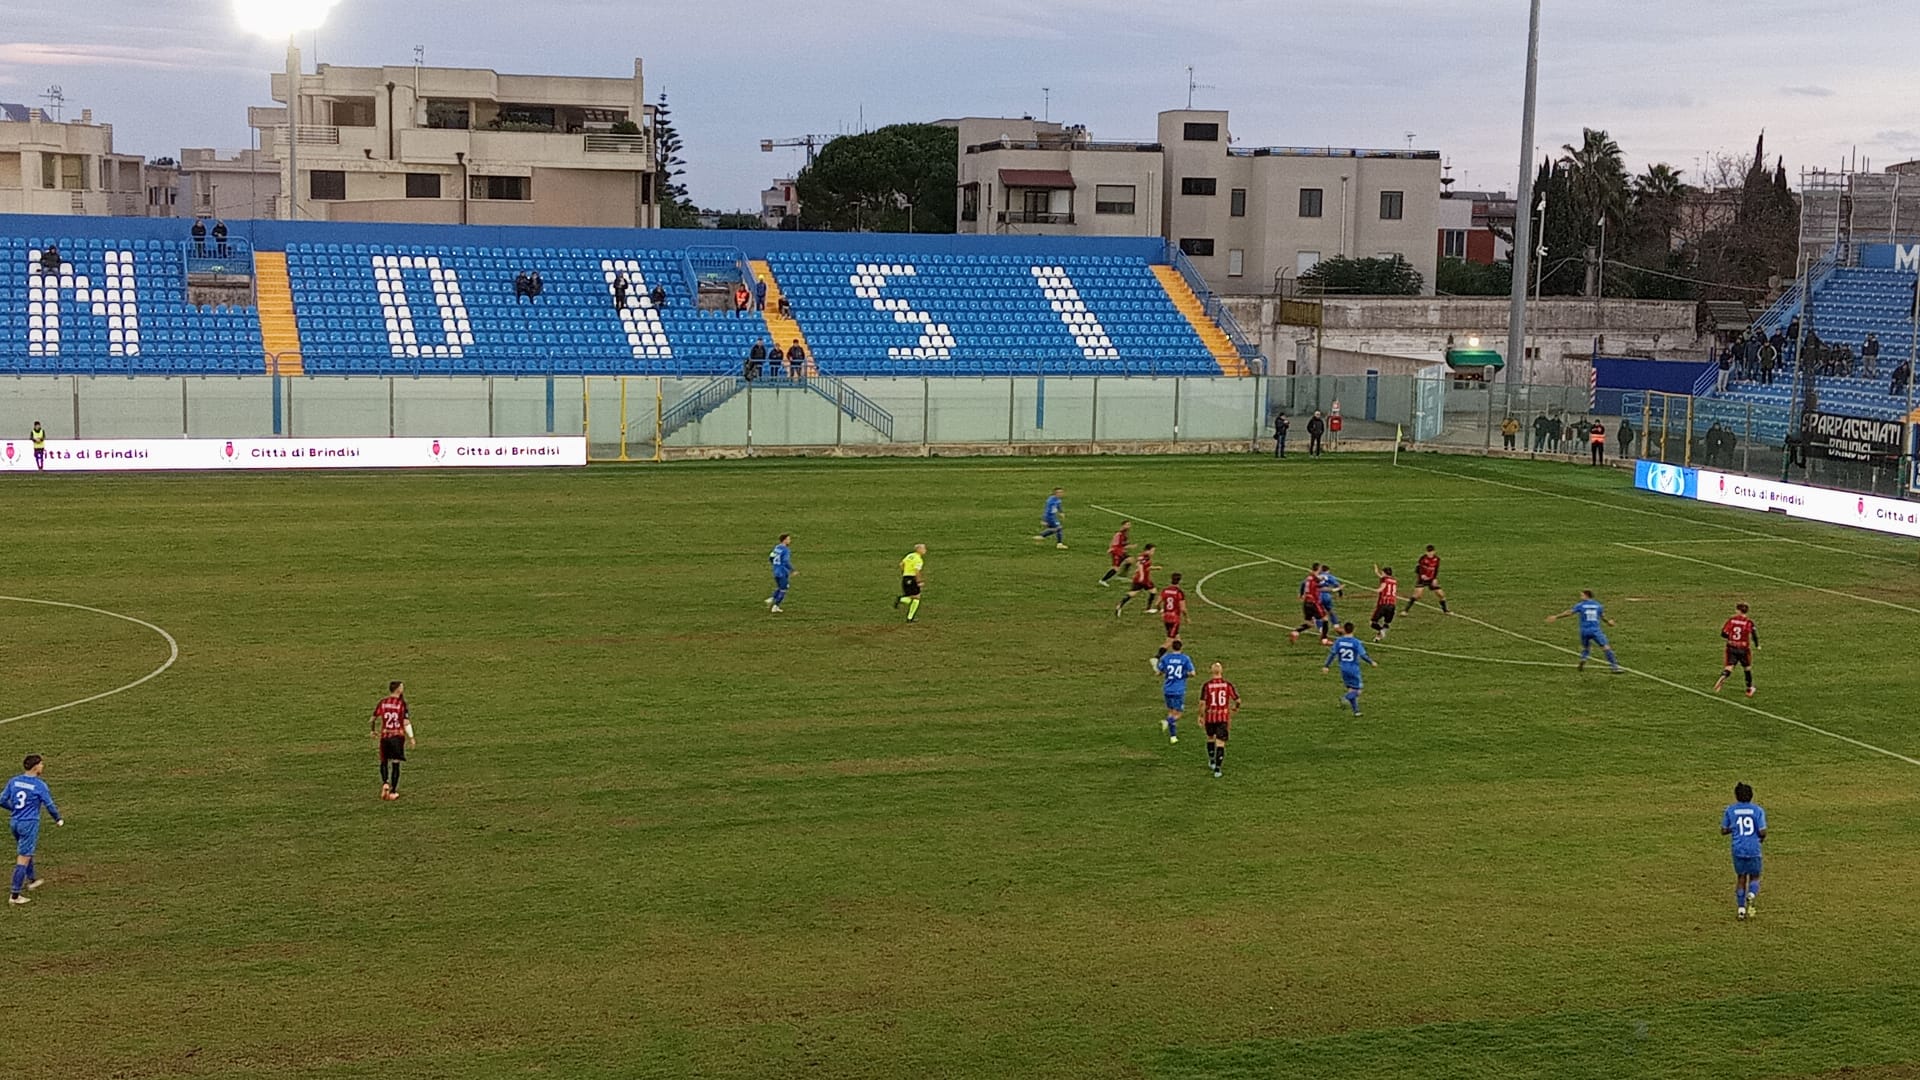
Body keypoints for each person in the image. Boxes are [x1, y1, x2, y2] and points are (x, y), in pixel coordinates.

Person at [7, 755, 63, 906]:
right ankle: (15, 895)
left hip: (15, 822)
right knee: (23, 857)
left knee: (27, 850)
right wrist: (58, 819)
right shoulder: (39, 785)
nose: (43, 767)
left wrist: (15, 809)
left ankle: (32, 880)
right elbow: (49, 805)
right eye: (41, 764)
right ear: (35, 767)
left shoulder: (14, 781)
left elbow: (2, 799)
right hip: (29, 824)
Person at [1720, 782, 1767, 920]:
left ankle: (1741, 909)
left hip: (1738, 848)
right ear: (1751, 796)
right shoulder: (1757, 810)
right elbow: (1763, 831)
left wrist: (1731, 829)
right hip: (1754, 848)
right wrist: (1760, 839)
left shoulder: (1730, 810)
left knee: (1741, 878)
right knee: (1755, 876)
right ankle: (1751, 894)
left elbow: (1723, 830)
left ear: (1736, 796)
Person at [1547, 590, 1620, 673]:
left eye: (1582, 595)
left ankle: (1583, 658)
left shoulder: (1581, 605)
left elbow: (1569, 612)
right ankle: (1614, 667)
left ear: (1586, 596)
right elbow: (1602, 617)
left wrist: (1556, 616)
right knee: (1606, 647)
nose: (1580, 597)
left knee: (1586, 647)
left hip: (1584, 631)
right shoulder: (1598, 605)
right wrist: (1608, 622)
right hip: (1595, 630)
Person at [371, 681, 415, 801]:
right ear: (398, 689)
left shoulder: (383, 702)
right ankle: (393, 791)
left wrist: (373, 731)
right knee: (395, 763)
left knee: (383, 760)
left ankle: (385, 782)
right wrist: (411, 737)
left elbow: (373, 718)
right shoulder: (401, 704)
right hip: (397, 737)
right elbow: (405, 722)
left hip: (385, 736)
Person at [1322, 623, 1377, 716]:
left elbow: (1332, 654)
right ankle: (1345, 698)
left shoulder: (1339, 641)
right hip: (1353, 669)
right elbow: (1363, 655)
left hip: (1343, 668)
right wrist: (1371, 662)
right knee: (1358, 691)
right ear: (1353, 630)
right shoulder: (1356, 642)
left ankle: (1356, 711)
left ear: (1344, 630)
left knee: (1351, 689)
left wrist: (1326, 666)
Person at [1200, 662, 1240, 778]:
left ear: (1211, 671)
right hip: (1222, 717)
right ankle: (1218, 769)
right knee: (1221, 743)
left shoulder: (1207, 686)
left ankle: (1212, 760)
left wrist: (1201, 716)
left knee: (1210, 738)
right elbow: (1237, 700)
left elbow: (1202, 703)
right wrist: (1235, 708)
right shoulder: (1227, 685)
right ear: (1221, 671)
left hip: (1210, 716)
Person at [1153, 639, 1196, 744]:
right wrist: (1183, 675)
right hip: (1178, 689)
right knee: (1178, 713)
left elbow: (1159, 672)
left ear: (1172, 647)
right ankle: (1167, 722)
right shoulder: (1185, 658)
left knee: (1171, 712)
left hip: (1167, 689)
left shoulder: (1166, 658)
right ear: (1181, 647)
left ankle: (1173, 737)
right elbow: (1193, 673)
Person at [1714, 602, 1758, 696]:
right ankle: (1749, 689)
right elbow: (1754, 634)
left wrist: (1731, 638)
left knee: (1729, 666)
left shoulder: (1732, 620)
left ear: (1738, 610)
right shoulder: (1748, 622)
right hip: (1743, 648)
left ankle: (1724, 676)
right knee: (1747, 668)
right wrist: (1757, 645)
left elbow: (1723, 633)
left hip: (1731, 646)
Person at [1290, 564, 1332, 645]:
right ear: (1319, 569)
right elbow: (1321, 585)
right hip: (1313, 603)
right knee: (1325, 618)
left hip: (1306, 602)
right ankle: (1324, 640)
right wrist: (1333, 588)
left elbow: (1304, 584)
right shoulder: (1315, 579)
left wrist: (1302, 594)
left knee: (1310, 624)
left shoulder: (1308, 578)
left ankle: (1296, 632)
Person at [1403, 545, 1448, 614]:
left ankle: (1445, 610)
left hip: (1431, 579)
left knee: (1441, 594)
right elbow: (1419, 568)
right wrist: (1422, 575)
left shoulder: (1437, 559)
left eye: (1431, 552)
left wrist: (1434, 578)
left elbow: (1436, 569)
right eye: (1428, 552)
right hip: (1422, 580)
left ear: (1434, 552)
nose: (1430, 554)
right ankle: (1405, 610)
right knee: (1417, 595)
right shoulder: (1423, 559)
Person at [1116, 543, 1157, 616]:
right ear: (1148, 550)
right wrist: (1141, 575)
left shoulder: (1143, 556)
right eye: (1152, 551)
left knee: (1133, 593)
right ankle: (1148, 608)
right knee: (1153, 591)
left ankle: (1119, 606)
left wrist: (1155, 568)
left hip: (1140, 578)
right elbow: (1140, 565)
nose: (1153, 553)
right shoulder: (1145, 556)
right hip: (1143, 579)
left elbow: (1145, 566)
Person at [1155, 573, 1188, 658]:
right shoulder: (1179, 592)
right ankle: (1156, 657)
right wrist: (1187, 618)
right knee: (1169, 641)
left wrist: (1161, 611)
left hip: (1166, 617)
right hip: (1174, 619)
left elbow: (1157, 603)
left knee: (1177, 638)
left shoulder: (1165, 590)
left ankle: (1178, 657)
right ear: (1180, 581)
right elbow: (1183, 609)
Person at [895, 544, 928, 622]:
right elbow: (917, 571)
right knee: (916, 597)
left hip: (905, 577)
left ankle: (910, 618)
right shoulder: (919, 560)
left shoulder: (910, 555)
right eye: (924, 549)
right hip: (912, 578)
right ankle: (902, 601)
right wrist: (919, 581)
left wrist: (905, 572)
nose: (925, 550)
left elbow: (901, 564)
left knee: (913, 597)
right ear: (919, 550)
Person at [1369, 565, 1398, 642]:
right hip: (1392, 605)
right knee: (1386, 623)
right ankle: (1378, 638)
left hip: (1384, 604)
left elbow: (1383, 586)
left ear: (1384, 573)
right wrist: (1376, 572)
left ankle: (1381, 631)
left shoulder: (1384, 580)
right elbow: (1383, 578)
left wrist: (1377, 590)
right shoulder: (1394, 581)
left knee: (1373, 622)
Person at [766, 533, 793, 613]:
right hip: (782, 572)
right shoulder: (786, 550)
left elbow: (771, 557)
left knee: (780, 586)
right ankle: (775, 606)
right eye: (788, 539)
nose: (790, 541)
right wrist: (792, 569)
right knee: (784, 588)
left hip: (776, 571)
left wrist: (775, 565)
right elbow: (785, 561)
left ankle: (771, 598)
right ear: (784, 540)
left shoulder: (777, 547)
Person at [1100, 521, 1132, 587]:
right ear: (1123, 525)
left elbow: (1123, 543)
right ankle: (1103, 580)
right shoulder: (1119, 534)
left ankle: (1122, 576)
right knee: (1115, 568)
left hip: (1121, 551)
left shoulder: (1125, 533)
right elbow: (1115, 542)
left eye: (1129, 524)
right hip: (1117, 552)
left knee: (1130, 560)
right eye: (1127, 524)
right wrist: (1111, 548)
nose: (1129, 526)